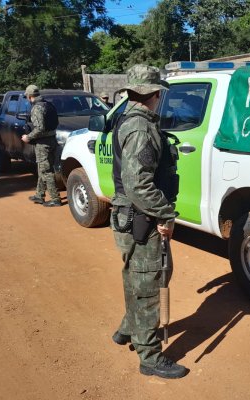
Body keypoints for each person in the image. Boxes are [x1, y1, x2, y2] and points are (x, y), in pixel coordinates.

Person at [109, 64, 186, 379]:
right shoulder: (140, 128)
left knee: (136, 277)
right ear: (155, 94)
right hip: (141, 217)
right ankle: (150, 355)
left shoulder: (129, 119)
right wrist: (164, 215)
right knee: (151, 282)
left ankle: (129, 328)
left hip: (131, 216)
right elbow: (139, 186)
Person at [21, 85, 62, 207]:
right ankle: (39, 195)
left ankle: (55, 198)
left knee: (46, 171)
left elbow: (39, 128)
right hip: (52, 140)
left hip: (43, 144)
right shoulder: (48, 105)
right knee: (42, 169)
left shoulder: (37, 108)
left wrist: (28, 137)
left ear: (29, 96)